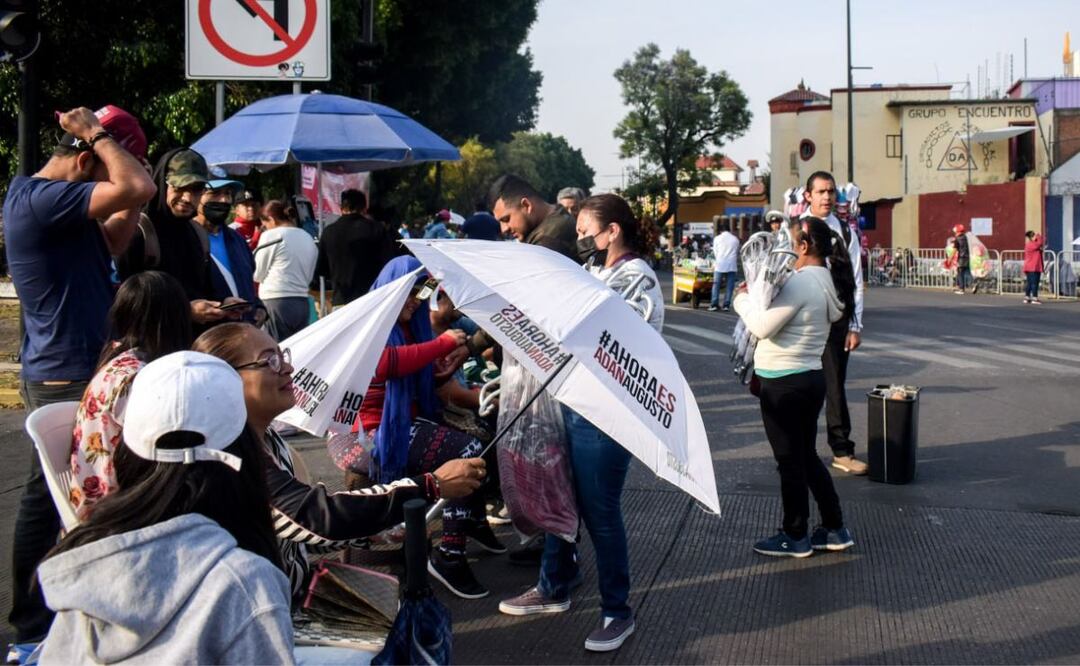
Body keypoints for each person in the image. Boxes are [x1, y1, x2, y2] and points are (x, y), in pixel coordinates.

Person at [192, 322, 488, 605]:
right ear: (224, 379)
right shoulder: (229, 458)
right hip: (260, 616)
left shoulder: (266, 438)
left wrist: (369, 531)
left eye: (282, 355)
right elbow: (316, 517)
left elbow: (292, 533)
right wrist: (430, 485)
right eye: (269, 361)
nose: (288, 368)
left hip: (286, 596)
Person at [3, 106, 156, 643]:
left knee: (89, 491)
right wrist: (97, 131)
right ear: (89, 157)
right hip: (62, 372)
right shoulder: (42, 201)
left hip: (75, 365)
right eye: (110, 163)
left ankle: (63, 609)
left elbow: (116, 236)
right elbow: (135, 184)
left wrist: (132, 197)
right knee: (47, 499)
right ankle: (29, 624)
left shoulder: (63, 211)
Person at [38, 351, 294, 664]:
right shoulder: (245, 582)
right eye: (268, 359)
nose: (287, 367)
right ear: (246, 450)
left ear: (127, 453)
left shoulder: (86, 560)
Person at [499, 193, 661, 653]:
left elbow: (623, 344)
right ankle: (554, 585)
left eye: (588, 231)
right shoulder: (592, 272)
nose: (581, 238)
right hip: (571, 402)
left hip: (607, 415)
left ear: (614, 232)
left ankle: (617, 610)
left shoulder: (638, 279)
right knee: (556, 492)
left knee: (600, 512)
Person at [733, 217, 856, 558]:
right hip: (810, 377)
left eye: (790, 241)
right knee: (805, 455)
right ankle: (834, 526)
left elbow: (760, 326)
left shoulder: (801, 283)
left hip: (783, 383)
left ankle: (795, 534)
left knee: (789, 460)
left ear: (803, 246)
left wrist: (740, 300)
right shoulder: (829, 281)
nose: (786, 248)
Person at [70, 271, 193, 519]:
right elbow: (164, 449)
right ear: (177, 319)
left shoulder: (119, 357)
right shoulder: (138, 379)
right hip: (118, 509)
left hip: (102, 495)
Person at [117, 148, 248, 330]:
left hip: (191, 349)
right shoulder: (137, 231)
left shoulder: (197, 234)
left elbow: (204, 288)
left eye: (196, 190)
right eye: (180, 188)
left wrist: (223, 303)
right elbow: (123, 302)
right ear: (163, 184)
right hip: (149, 351)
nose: (187, 198)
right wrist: (185, 310)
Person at [801, 171, 866, 475]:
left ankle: (842, 450)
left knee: (834, 386)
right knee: (799, 386)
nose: (827, 197)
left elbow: (855, 279)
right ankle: (798, 450)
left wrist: (855, 324)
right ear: (808, 195)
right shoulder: (795, 230)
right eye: (821, 192)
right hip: (799, 319)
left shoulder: (844, 232)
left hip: (836, 319)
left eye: (831, 192)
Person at [194, 179, 265, 325]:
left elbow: (247, 283)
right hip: (207, 336)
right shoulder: (185, 239)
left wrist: (258, 307)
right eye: (214, 193)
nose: (224, 200)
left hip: (244, 332)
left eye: (227, 194)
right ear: (196, 196)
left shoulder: (236, 239)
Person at [315, 188, 399, 306]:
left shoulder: (329, 232)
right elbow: (389, 264)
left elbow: (322, 271)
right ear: (364, 208)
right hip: (371, 300)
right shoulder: (376, 230)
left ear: (341, 208)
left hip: (341, 301)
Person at [254, 200, 318, 341]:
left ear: (271, 219)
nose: (264, 228)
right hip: (302, 301)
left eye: (265, 225)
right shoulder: (307, 237)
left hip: (276, 300)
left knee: (277, 350)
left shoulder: (272, 236)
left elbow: (257, 273)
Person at [489, 174, 578, 262]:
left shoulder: (547, 242)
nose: (504, 229)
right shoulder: (559, 216)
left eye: (506, 219)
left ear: (527, 205)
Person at [709, 220, 740, 311]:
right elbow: (737, 252)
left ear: (720, 230)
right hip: (732, 265)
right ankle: (726, 305)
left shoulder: (717, 239)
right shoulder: (735, 239)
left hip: (720, 264)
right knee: (729, 286)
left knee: (716, 285)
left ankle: (714, 304)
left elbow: (715, 252)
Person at [1023, 230, 1045, 304]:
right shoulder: (1032, 244)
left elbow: (1039, 245)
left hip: (1030, 267)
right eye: (1035, 236)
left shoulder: (1030, 244)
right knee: (1035, 283)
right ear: (1032, 237)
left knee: (1029, 283)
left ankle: (1027, 297)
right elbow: (1040, 243)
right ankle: (1035, 298)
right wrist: (1038, 236)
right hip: (1033, 267)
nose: (1036, 237)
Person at [952, 224, 971, 295]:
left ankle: (961, 288)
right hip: (968, 257)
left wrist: (950, 258)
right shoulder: (966, 237)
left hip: (961, 258)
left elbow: (954, 250)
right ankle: (972, 285)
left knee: (960, 272)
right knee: (967, 272)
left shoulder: (957, 239)